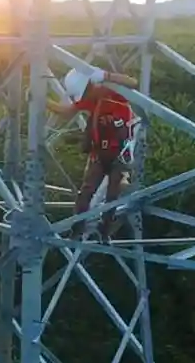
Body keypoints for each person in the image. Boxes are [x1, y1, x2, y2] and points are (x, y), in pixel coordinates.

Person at [47, 66, 141, 242]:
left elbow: (133, 82)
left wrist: (106, 75)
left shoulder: (113, 92)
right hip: (99, 153)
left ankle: (104, 232)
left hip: (119, 152)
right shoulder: (91, 99)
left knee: (113, 194)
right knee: (86, 192)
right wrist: (43, 101)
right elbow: (67, 111)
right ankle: (77, 230)